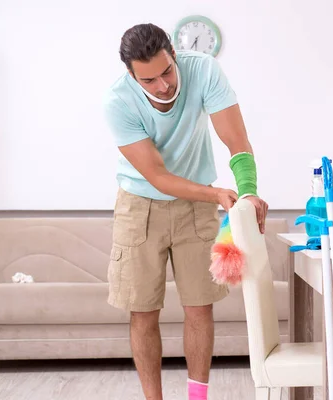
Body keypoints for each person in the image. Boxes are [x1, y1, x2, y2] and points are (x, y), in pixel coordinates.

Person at [103, 23, 269, 400]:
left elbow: (237, 141)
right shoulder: (117, 102)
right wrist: (215, 194)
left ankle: (198, 398)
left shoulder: (204, 70)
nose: (163, 85)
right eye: (149, 80)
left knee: (199, 306)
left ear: (173, 55)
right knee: (142, 311)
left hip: (197, 206)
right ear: (131, 76)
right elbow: (159, 176)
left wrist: (248, 194)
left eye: (166, 71)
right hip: (139, 205)